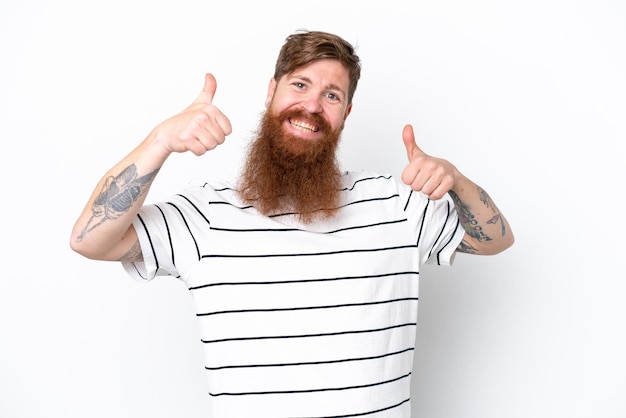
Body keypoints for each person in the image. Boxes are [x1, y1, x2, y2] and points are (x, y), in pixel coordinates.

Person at [70, 30, 514, 418]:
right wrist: (160, 141)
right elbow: (91, 240)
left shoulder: (394, 204)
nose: (312, 106)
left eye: (332, 95)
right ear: (272, 91)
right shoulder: (206, 215)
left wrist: (455, 180)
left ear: (346, 114)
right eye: (300, 84)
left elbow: (495, 238)